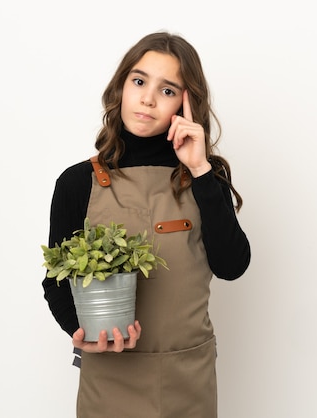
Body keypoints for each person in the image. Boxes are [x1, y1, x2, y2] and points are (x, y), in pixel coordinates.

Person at [42, 31, 251, 418]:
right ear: (121, 86)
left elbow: (232, 266)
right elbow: (56, 280)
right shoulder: (76, 183)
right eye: (139, 81)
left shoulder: (206, 178)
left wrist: (201, 170)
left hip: (188, 379)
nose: (148, 98)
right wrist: (80, 332)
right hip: (109, 377)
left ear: (187, 104)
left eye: (167, 90)